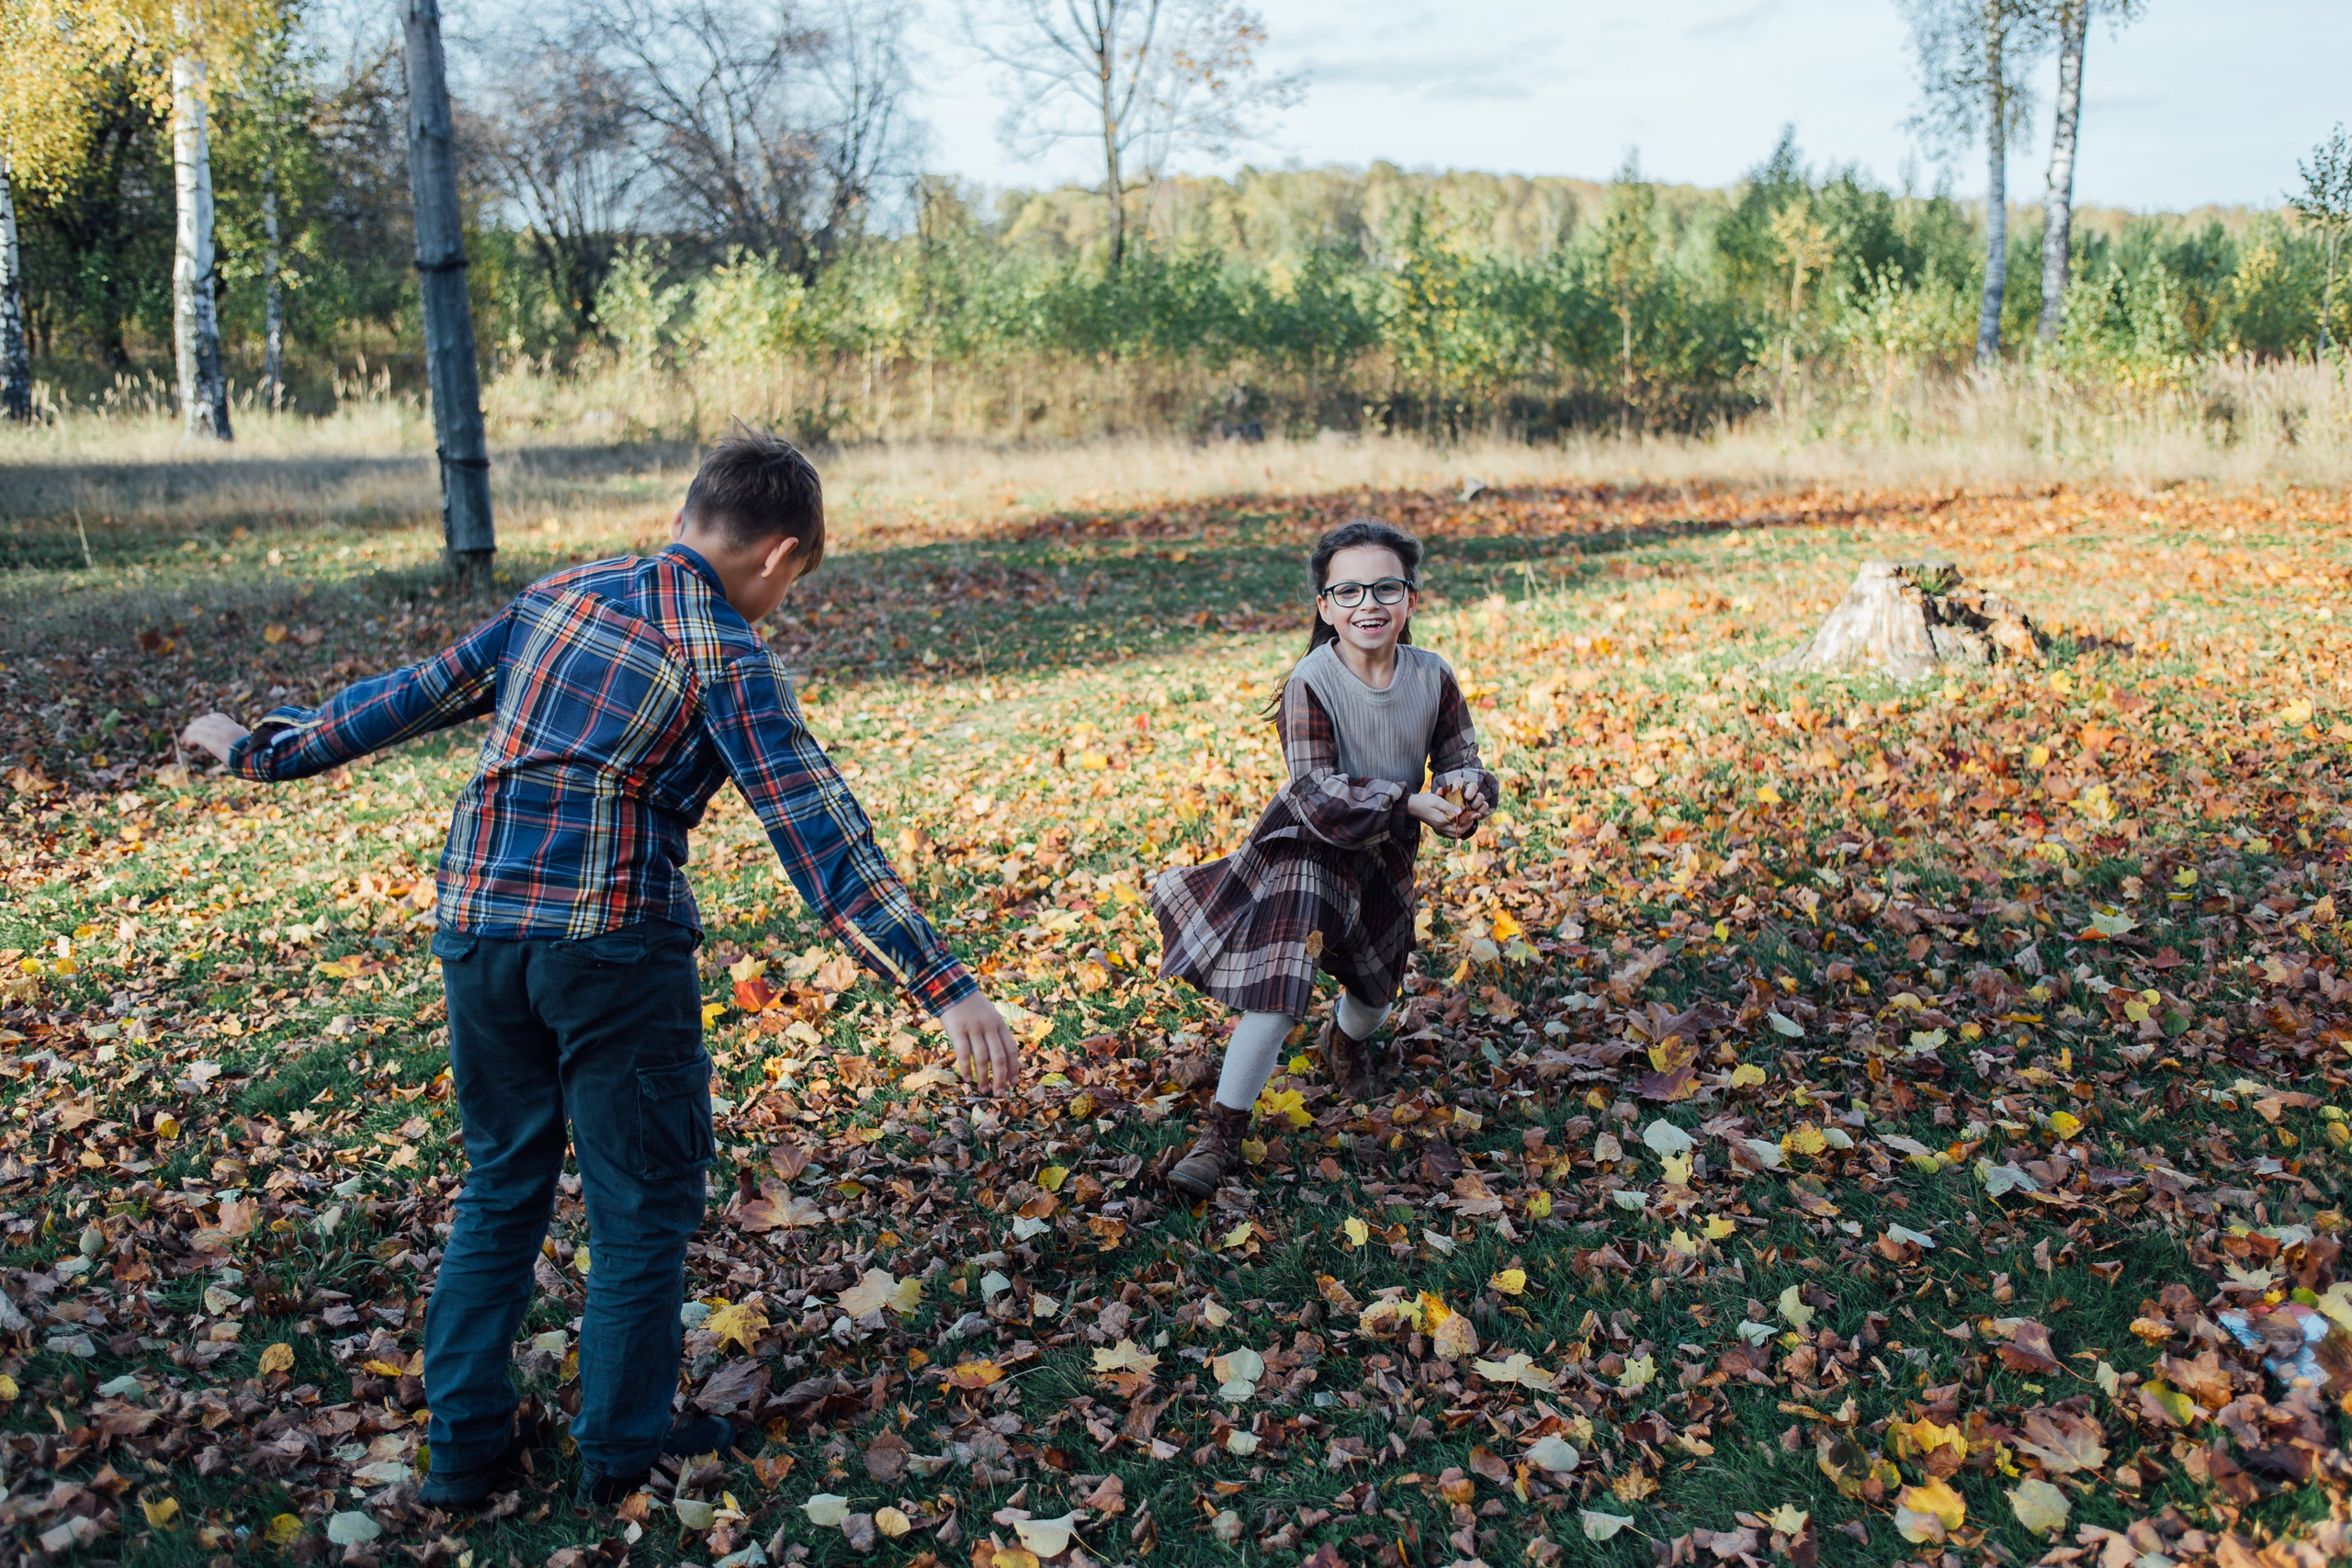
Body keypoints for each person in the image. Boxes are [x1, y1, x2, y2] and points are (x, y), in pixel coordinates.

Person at [177, 430, 1020, 1509]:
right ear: (778, 555)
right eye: (792, 582)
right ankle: (621, 1454)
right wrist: (944, 984)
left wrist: (254, 746)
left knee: (500, 1188)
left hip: (478, 934)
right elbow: (820, 837)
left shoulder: (561, 596)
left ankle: (464, 1455)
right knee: (640, 1204)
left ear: (684, 519)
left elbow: (406, 697)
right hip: (612, 949)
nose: (780, 602)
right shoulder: (727, 654)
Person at [1150, 518, 1496, 1200]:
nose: (1369, 603)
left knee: (1375, 994)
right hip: (1308, 851)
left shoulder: (1432, 675)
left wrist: (1468, 796)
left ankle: (1346, 1039)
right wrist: (1408, 801)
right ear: (1326, 607)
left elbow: (1462, 759)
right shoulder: (1313, 679)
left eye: (1386, 588)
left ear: (1411, 599)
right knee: (1278, 992)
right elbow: (1314, 789)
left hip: (1385, 856)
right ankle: (1221, 1134)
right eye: (1349, 591)